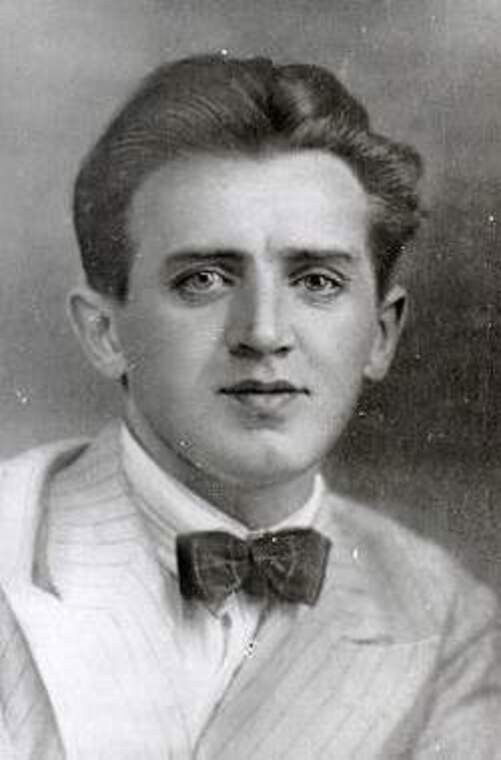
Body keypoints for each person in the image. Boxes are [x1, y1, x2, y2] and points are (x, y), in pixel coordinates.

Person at [0, 54, 499, 760]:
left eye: (317, 281)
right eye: (204, 279)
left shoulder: (447, 618)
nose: (264, 332)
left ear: (380, 335)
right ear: (105, 332)